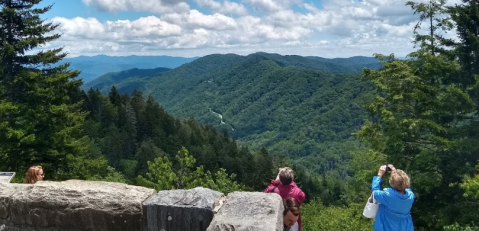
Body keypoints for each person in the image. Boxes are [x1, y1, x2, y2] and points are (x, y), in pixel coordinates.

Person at [372, 164, 414, 231]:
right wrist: (395, 172)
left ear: (391, 182)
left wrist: (379, 175)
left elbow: (375, 192)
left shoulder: (388, 196)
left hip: (387, 226)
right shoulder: (410, 196)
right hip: (405, 227)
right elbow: (405, 186)